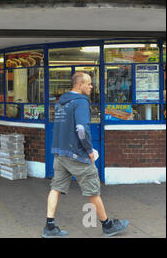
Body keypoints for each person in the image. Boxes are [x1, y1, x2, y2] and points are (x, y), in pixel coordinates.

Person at [43, 72, 129, 238]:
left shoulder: (61, 102)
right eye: (88, 83)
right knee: (93, 190)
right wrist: (89, 151)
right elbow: (81, 129)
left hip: (60, 153)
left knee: (55, 188)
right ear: (79, 85)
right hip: (77, 155)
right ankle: (108, 225)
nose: (91, 86)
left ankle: (50, 226)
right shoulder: (81, 102)